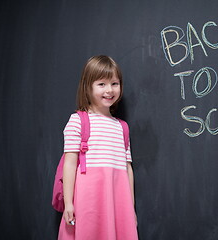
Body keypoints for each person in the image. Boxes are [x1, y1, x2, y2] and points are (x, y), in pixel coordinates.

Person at [58, 56, 138, 240]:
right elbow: (69, 165)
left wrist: (130, 208)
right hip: (88, 199)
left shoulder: (122, 127)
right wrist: (69, 203)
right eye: (101, 84)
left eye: (115, 83)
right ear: (88, 86)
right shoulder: (78, 121)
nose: (109, 90)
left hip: (117, 198)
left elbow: (127, 169)